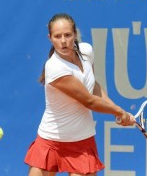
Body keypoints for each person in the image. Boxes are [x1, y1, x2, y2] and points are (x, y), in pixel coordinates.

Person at [24, 13, 135, 176]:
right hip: (50, 142)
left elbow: (93, 86)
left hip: (82, 142)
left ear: (75, 34)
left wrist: (117, 111)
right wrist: (120, 112)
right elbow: (89, 101)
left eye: (67, 35)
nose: (63, 41)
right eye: (57, 36)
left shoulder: (87, 51)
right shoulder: (54, 67)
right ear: (50, 38)